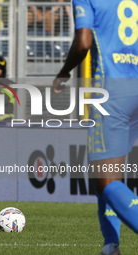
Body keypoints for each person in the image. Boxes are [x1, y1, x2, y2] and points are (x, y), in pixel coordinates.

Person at [52, 1, 138, 254]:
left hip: (112, 92)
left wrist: (64, 72)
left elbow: (84, 41)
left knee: (106, 180)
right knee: (110, 176)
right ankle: (110, 246)